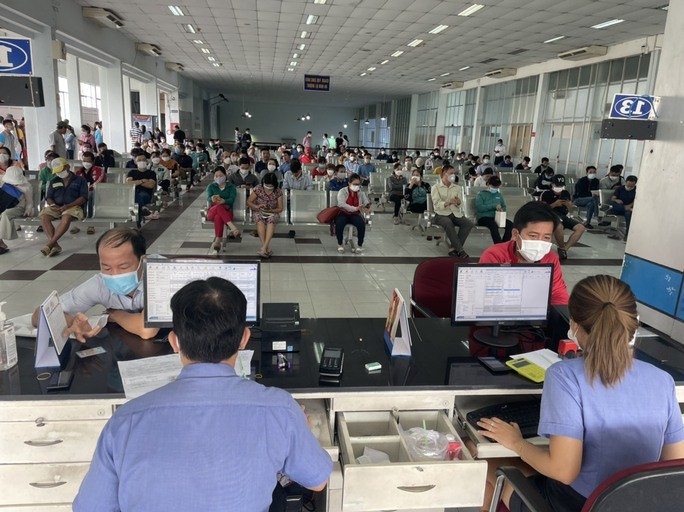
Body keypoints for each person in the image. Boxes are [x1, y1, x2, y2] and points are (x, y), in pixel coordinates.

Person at [73, 277, 331, 511]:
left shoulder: (124, 421)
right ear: (244, 339)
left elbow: (90, 507)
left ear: (174, 342)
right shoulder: (280, 409)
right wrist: (300, 427)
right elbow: (317, 481)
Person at [480, 275, 684, 512]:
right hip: (638, 504)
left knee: (484, 461)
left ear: (574, 324)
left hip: (576, 505)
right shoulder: (662, 380)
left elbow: (563, 471)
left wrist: (517, 443)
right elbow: (674, 465)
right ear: (632, 323)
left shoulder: (564, 376)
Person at [31, 228, 160, 341]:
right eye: (107, 268)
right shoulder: (99, 284)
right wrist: (73, 321)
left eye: (123, 267)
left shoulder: (160, 273)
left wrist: (114, 313)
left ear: (143, 260)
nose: (114, 274)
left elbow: (147, 330)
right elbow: (40, 315)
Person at [480, 201, 569, 305]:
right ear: (515, 234)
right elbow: (486, 296)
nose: (539, 243)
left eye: (546, 237)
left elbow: (558, 294)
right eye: (533, 236)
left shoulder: (550, 258)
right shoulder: (495, 255)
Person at [38, 158, 88, 257]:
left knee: (66, 217)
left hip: (73, 206)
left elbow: (83, 198)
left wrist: (68, 206)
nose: (59, 173)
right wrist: (53, 205)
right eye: (57, 172)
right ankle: (55, 244)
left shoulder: (80, 180)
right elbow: (49, 197)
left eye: (61, 170)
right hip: (56, 206)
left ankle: (50, 244)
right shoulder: (54, 181)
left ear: (68, 167)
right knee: (44, 217)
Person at [431, 164, 474, 258]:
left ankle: (453, 248)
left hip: (455, 213)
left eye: (454, 173)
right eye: (451, 173)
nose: (453, 175)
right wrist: (447, 202)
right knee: (448, 222)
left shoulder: (457, 188)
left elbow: (461, 205)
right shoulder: (436, 187)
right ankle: (460, 250)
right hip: (441, 214)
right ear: (444, 174)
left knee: (468, 224)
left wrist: (458, 202)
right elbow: (436, 204)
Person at [540, 175, 585, 260]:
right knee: (559, 226)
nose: (559, 187)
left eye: (561, 185)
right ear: (552, 184)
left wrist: (569, 205)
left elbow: (571, 211)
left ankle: (564, 249)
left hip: (563, 216)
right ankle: (561, 247)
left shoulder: (565, 193)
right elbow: (542, 209)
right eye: (557, 185)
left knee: (581, 228)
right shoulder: (546, 194)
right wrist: (554, 204)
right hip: (550, 215)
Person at [247, 172, 283, 258]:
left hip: (272, 212)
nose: (268, 188)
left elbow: (280, 208)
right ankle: (266, 247)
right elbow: (248, 202)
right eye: (267, 186)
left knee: (271, 221)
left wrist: (271, 210)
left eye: (271, 187)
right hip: (258, 210)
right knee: (260, 221)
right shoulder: (258, 189)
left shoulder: (278, 192)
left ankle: (264, 248)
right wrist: (257, 206)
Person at [0, 166, 33, 254]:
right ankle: (1, 243)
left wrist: (28, 210)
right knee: (3, 213)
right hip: (5, 205)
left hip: (19, 207)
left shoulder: (27, 186)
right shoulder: (3, 181)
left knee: (5, 214)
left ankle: (0, 241)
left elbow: (29, 201)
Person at [335, 173, 370, 254]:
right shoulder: (342, 191)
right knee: (339, 223)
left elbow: (366, 201)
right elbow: (341, 204)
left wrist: (367, 207)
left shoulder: (360, 192)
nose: (357, 186)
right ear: (349, 183)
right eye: (355, 184)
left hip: (355, 214)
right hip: (343, 213)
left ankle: (359, 245)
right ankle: (340, 244)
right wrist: (355, 208)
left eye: (358, 184)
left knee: (361, 224)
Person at [207, 167, 240, 250]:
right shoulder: (211, 186)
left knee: (218, 217)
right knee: (218, 207)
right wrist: (212, 198)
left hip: (227, 211)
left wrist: (224, 201)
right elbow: (208, 198)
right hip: (212, 211)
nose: (218, 178)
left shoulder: (231, 187)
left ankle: (218, 240)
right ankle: (232, 227)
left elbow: (232, 199)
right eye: (216, 176)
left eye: (220, 176)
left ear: (225, 175)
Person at [476, 176, 514, 244]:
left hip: (497, 218)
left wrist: (502, 209)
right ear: (488, 184)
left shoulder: (498, 195)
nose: (495, 188)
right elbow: (480, 208)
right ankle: (498, 245)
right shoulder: (481, 194)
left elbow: (504, 206)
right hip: (484, 218)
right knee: (493, 225)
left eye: (497, 187)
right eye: (494, 186)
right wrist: (493, 206)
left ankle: (504, 244)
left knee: (510, 225)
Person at [126, 154, 157, 227]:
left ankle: (137, 222)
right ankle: (138, 222)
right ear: (135, 162)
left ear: (147, 161)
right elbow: (128, 183)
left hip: (146, 195)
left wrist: (135, 182)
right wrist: (142, 181)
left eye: (143, 160)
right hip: (133, 194)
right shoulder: (132, 172)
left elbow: (151, 185)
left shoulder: (151, 173)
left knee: (137, 199)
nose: (141, 162)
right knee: (137, 201)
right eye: (139, 160)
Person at [77, 151, 106, 225]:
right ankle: (79, 216)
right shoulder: (79, 172)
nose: (86, 163)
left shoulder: (99, 170)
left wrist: (86, 189)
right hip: (82, 192)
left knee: (90, 194)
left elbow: (98, 182)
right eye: (84, 161)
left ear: (93, 162)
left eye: (88, 161)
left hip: (96, 192)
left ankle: (89, 218)